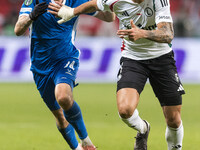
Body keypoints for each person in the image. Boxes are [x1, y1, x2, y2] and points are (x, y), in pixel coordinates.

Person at [48, 0, 185, 149]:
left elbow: (168, 33)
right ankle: (143, 128)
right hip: (133, 59)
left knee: (173, 119)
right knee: (125, 110)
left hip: (162, 59)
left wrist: (142, 33)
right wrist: (73, 12)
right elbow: (95, 4)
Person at [14, 0, 115, 150]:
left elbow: (109, 17)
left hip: (65, 59)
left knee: (63, 96)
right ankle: (77, 148)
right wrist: (32, 15)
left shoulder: (76, 2)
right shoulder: (35, 2)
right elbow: (18, 30)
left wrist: (104, 3)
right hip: (40, 66)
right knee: (60, 117)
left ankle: (86, 141)